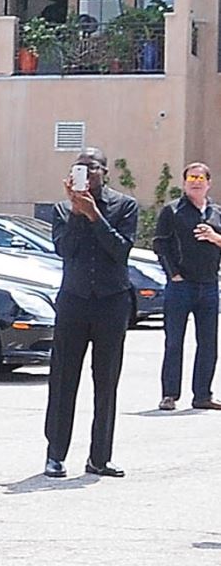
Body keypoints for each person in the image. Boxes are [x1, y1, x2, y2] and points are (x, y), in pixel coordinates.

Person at [42, 149, 140, 478]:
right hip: (74, 300)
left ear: (105, 172)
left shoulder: (125, 206)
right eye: (80, 167)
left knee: (106, 380)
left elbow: (121, 250)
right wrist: (76, 212)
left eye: (92, 167)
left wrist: (95, 215)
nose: (86, 172)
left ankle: (100, 457)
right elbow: (64, 249)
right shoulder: (62, 209)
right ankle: (55, 455)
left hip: (112, 302)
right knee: (63, 379)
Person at [152, 160, 221, 410]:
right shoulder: (172, 211)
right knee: (174, 342)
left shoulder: (216, 213)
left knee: (208, 343)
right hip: (181, 286)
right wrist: (173, 274)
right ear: (184, 183)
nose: (196, 183)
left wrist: (215, 237)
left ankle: (202, 395)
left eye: (200, 179)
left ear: (208, 183)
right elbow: (160, 244)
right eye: (191, 178)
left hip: (209, 285)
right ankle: (170, 394)